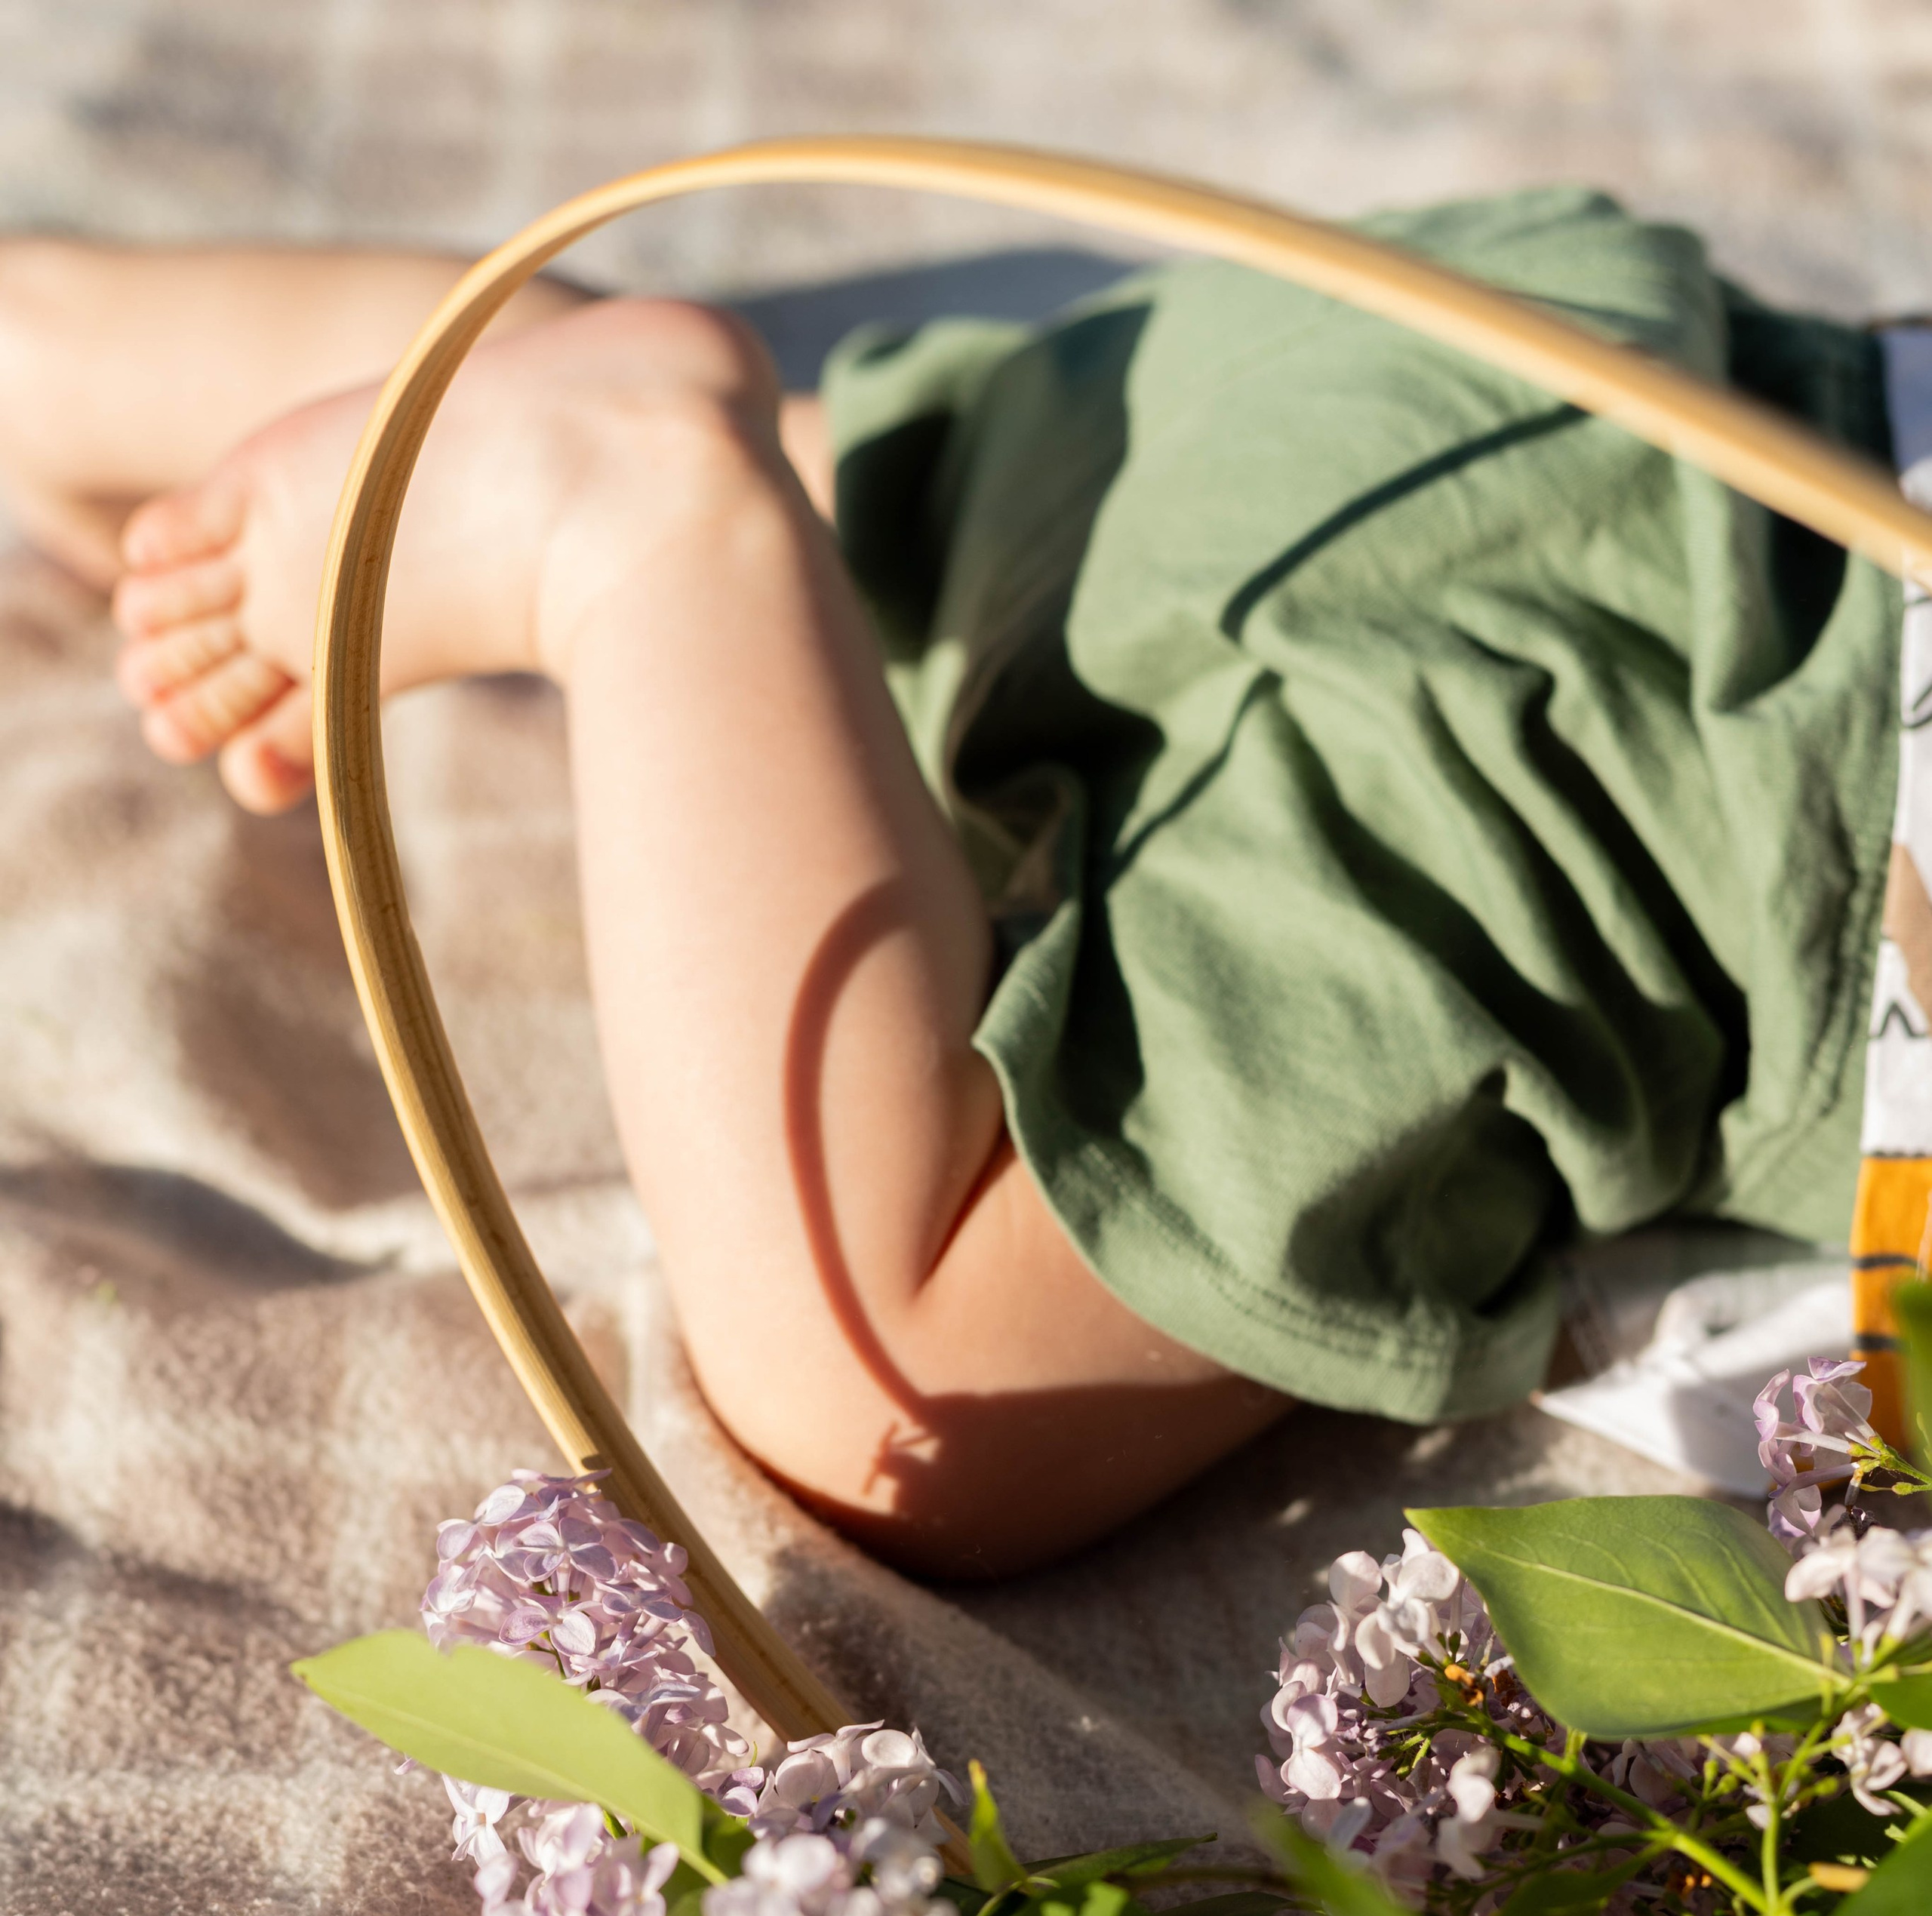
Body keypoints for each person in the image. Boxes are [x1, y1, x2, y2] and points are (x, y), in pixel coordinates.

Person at [0, 189, 1904, 1574]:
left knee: (869, 534)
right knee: (911, 1383)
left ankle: (60, 340)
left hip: (1513, 386)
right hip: (1657, 772)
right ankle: (630, 531)